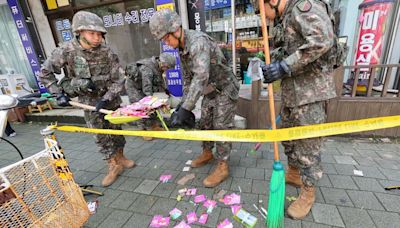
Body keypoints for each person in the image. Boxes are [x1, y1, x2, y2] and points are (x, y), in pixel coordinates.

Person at [252, 0, 338, 219]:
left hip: (311, 93)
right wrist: (274, 63)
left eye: (264, 12)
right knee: (289, 138)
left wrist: (283, 66)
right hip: (293, 93)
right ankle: (293, 173)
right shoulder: (287, 16)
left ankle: (308, 193)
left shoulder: (303, 7)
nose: (266, 19)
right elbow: (293, 47)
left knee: (308, 148)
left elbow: (322, 40)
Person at [39, 11, 134, 187]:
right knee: (100, 135)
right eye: (92, 33)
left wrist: (106, 98)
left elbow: (119, 79)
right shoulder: (66, 51)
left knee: (117, 131)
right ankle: (112, 165)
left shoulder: (107, 51)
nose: (97, 38)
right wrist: (57, 93)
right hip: (88, 102)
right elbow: (45, 73)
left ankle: (121, 157)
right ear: (80, 32)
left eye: (99, 34)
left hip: (110, 100)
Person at [149, 9, 240, 188]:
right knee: (205, 122)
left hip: (225, 88)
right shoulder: (181, 48)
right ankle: (207, 153)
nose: (166, 43)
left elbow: (201, 77)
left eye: (166, 38)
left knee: (221, 127)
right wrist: (182, 105)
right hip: (209, 91)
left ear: (175, 30)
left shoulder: (197, 42)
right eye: (163, 40)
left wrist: (187, 108)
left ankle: (222, 165)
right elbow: (188, 79)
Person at [125, 52, 176, 140]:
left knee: (153, 106)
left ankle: (154, 126)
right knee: (141, 108)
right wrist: (152, 102)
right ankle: (144, 130)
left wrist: (165, 91)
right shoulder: (147, 69)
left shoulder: (158, 66)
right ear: (162, 63)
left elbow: (159, 81)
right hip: (134, 88)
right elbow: (147, 89)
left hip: (143, 86)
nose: (166, 69)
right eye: (167, 67)